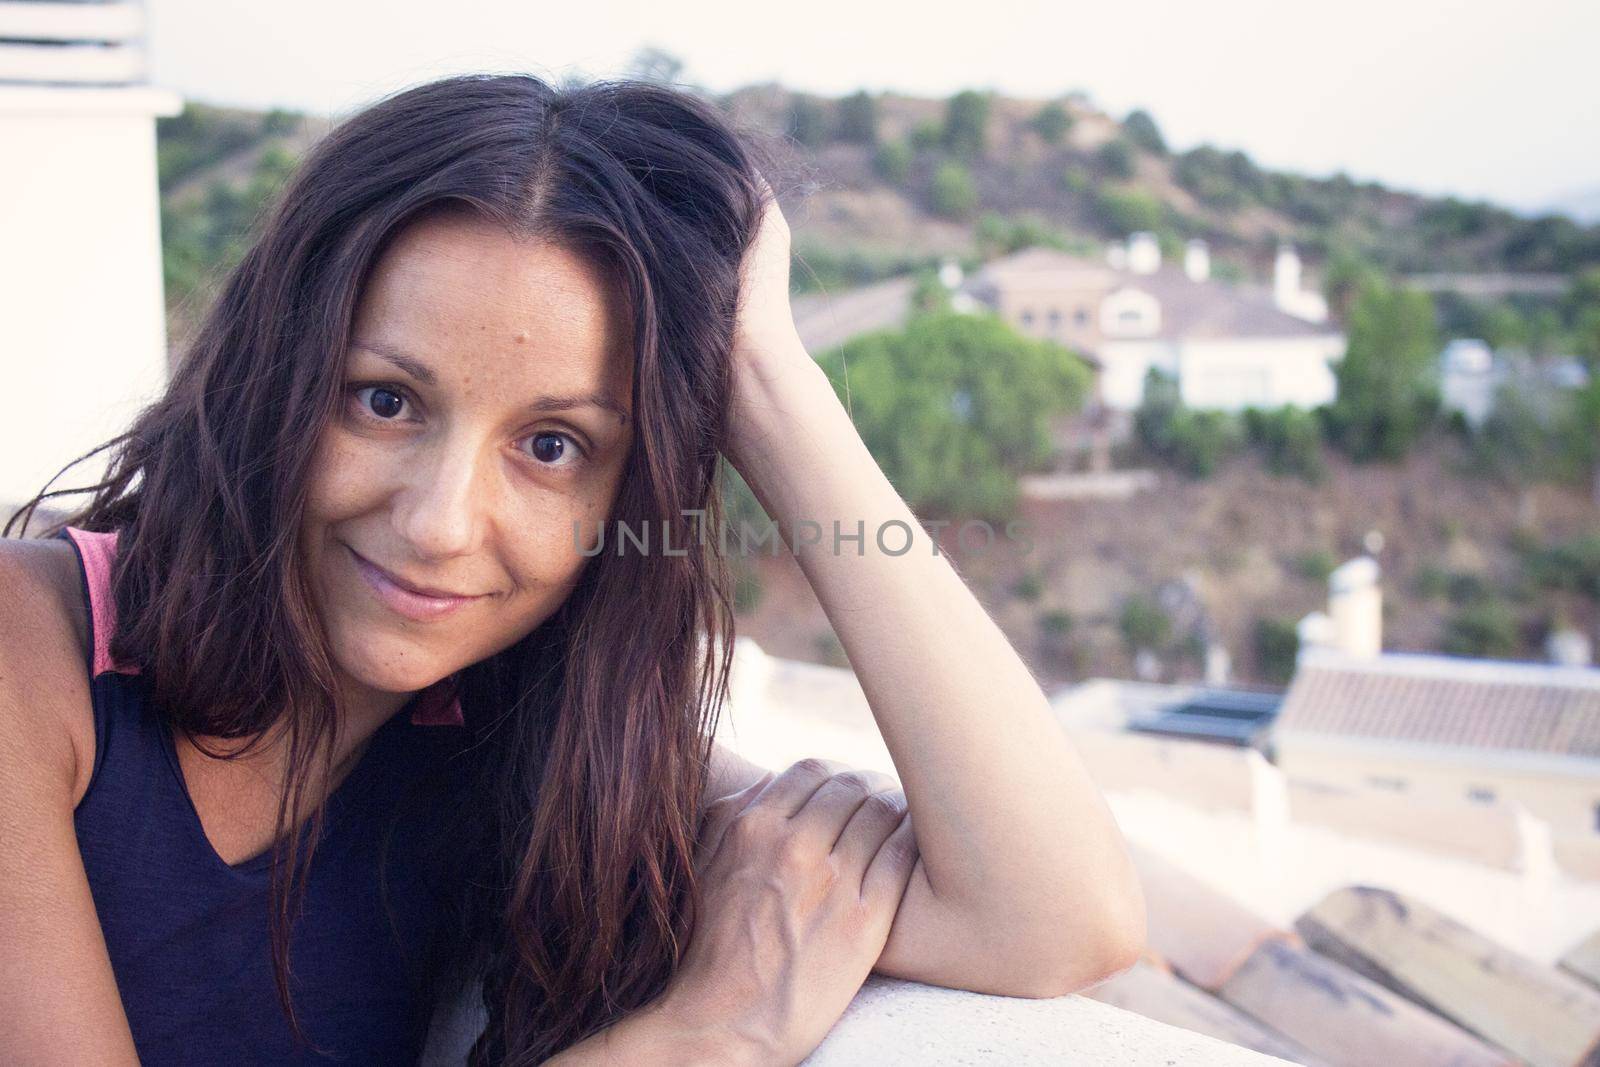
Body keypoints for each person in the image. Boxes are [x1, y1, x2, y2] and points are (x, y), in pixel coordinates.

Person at [0, 73, 1144, 1066]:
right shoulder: (27, 652)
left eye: (554, 446)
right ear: (273, 377)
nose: (443, 522)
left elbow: (1049, 913)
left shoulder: (505, 736)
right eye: (383, 399)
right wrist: (705, 1035)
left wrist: (763, 373)